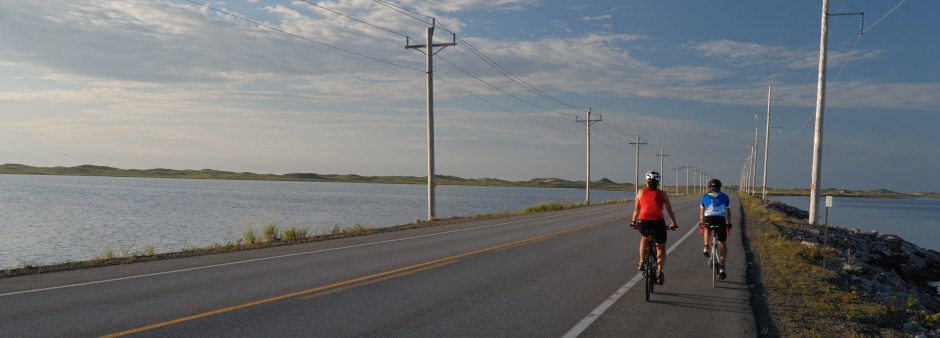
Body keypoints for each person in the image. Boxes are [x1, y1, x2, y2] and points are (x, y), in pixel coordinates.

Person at [631, 171, 678, 285]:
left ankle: (642, 261)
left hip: (643, 222)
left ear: (646, 181)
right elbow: (669, 211)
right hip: (658, 222)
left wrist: (633, 222)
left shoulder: (640, 191)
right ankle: (659, 271)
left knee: (644, 238)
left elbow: (637, 210)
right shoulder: (663, 193)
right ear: (658, 181)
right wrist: (673, 223)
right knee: (661, 248)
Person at [700, 178, 732, 280]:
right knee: (722, 244)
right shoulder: (725, 197)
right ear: (719, 187)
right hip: (720, 220)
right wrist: (728, 223)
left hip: (708, 218)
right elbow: (728, 212)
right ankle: (722, 267)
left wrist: (702, 222)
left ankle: (706, 246)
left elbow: (702, 212)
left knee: (707, 229)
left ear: (709, 187)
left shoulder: (704, 196)